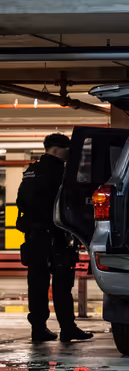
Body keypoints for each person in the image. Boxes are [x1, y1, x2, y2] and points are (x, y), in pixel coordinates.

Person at [17, 133, 94, 342]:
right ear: (57, 149)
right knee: (61, 285)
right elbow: (70, 203)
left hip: (34, 237)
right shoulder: (61, 172)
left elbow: (21, 203)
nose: (69, 153)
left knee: (37, 284)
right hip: (56, 236)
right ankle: (67, 328)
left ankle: (39, 329)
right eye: (67, 149)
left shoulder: (31, 171)